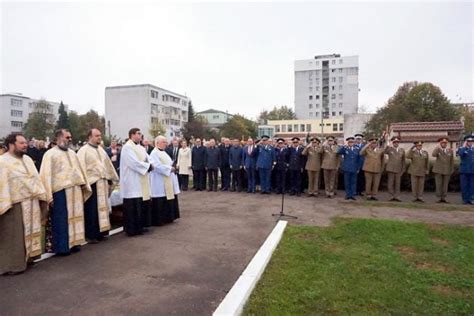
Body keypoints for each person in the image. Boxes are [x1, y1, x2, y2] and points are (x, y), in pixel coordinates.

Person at [0, 133, 47, 275]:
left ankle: (28, 258)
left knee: (29, 232)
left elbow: (35, 178)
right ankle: (12, 265)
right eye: (21, 143)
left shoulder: (27, 159)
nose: (25, 145)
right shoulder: (3, 162)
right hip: (13, 203)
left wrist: (41, 195)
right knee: (13, 235)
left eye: (25, 142)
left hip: (31, 201)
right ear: (11, 144)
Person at [39, 129, 92, 255]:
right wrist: (48, 195)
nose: (70, 139)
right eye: (67, 137)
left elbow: (80, 170)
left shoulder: (73, 153)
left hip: (75, 190)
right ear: (58, 138)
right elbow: (45, 175)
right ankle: (62, 247)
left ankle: (75, 243)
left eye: (70, 137)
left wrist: (84, 184)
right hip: (60, 192)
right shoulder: (50, 154)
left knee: (76, 218)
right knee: (61, 220)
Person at [77, 129, 119, 243]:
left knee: (103, 209)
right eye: (97, 136)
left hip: (103, 182)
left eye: (100, 136)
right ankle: (91, 234)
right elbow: (80, 168)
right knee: (92, 210)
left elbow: (108, 165)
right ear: (89, 137)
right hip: (92, 184)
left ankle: (102, 232)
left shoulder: (101, 150)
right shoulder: (83, 151)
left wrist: (110, 178)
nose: (99, 138)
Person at [119, 128, 153, 236]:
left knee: (140, 204)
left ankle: (140, 226)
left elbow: (149, 159)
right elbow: (133, 163)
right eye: (138, 133)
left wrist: (151, 165)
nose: (140, 135)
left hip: (140, 180)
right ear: (132, 135)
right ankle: (131, 229)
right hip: (131, 180)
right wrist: (148, 166)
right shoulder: (127, 147)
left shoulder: (140, 147)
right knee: (133, 205)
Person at [149, 136, 181, 226]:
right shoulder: (154, 153)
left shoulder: (164, 152)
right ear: (157, 143)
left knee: (168, 197)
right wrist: (169, 169)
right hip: (159, 180)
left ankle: (168, 217)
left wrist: (173, 166)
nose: (166, 143)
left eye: (166, 142)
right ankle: (159, 220)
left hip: (167, 179)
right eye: (164, 142)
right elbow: (156, 166)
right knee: (160, 199)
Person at [432, 137, 454, 203]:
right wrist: (437, 147)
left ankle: (444, 198)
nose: (444, 144)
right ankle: (438, 198)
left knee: (445, 185)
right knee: (438, 185)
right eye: (442, 143)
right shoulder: (438, 150)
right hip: (438, 170)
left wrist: (451, 169)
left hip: (447, 170)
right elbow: (433, 154)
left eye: (445, 143)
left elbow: (451, 161)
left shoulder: (450, 151)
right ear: (440, 143)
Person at [384, 137, 405, 202]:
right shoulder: (390, 149)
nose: (396, 143)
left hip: (398, 169)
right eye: (394, 142)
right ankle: (390, 196)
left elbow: (403, 160)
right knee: (390, 183)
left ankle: (397, 196)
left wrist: (403, 169)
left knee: (397, 183)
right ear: (393, 143)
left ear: (398, 143)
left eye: (397, 142)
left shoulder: (402, 150)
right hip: (391, 169)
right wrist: (388, 145)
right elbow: (385, 152)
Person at [457, 135, 474, 205]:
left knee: (472, 185)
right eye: (468, 141)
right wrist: (464, 147)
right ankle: (465, 199)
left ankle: (471, 199)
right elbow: (460, 154)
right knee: (464, 185)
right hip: (464, 171)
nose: (470, 143)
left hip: (472, 170)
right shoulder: (462, 149)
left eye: (472, 141)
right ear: (466, 142)